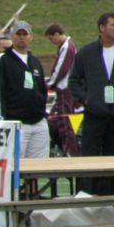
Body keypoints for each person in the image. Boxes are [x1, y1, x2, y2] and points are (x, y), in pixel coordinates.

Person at [68, 13, 114, 193]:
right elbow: (73, 81)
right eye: (113, 25)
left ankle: (110, 198)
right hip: (94, 115)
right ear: (102, 27)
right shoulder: (87, 52)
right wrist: (88, 99)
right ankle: (87, 196)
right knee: (89, 158)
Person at [0, 21, 49, 158]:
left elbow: (42, 89)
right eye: (18, 34)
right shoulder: (3, 59)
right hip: (16, 124)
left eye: (25, 34)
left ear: (31, 37)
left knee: (39, 168)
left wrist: (43, 114)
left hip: (38, 123)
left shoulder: (34, 61)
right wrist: (1, 121)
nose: (21, 37)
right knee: (14, 167)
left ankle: (32, 182)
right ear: (12, 37)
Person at [44, 23, 78, 156]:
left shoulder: (66, 47)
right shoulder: (68, 46)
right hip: (65, 90)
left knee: (65, 123)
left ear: (57, 34)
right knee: (55, 120)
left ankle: (71, 153)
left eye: (51, 38)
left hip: (65, 91)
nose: (51, 42)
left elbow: (61, 68)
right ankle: (65, 149)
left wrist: (49, 84)